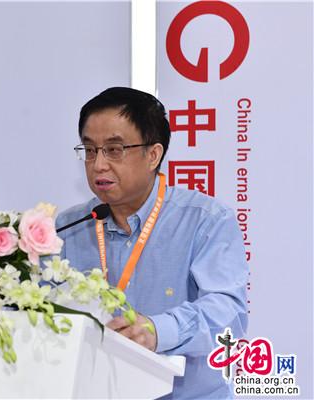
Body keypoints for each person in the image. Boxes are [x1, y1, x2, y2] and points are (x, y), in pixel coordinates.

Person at [56, 87, 248, 399]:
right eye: (90, 150)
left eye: (114, 150)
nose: (98, 164)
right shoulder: (68, 228)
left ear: (153, 155)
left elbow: (228, 314)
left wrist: (158, 332)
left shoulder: (206, 220)